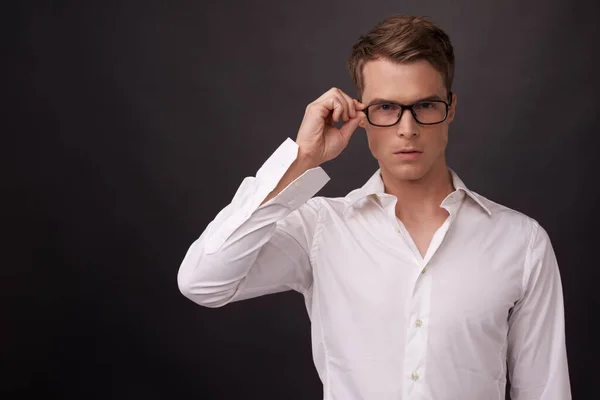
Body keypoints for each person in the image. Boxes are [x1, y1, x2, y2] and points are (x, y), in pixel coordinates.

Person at [177, 14, 571, 400]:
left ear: (450, 108)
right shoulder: (320, 228)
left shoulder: (522, 242)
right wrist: (301, 159)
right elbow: (202, 282)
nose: (407, 128)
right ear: (360, 115)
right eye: (385, 108)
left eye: (426, 106)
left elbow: (544, 390)